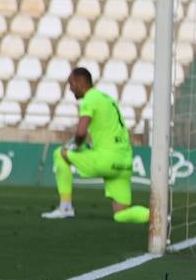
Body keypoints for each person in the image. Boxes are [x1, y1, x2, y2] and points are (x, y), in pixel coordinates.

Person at [41, 68, 150, 224]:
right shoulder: (108, 99)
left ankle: (65, 208)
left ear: (80, 82)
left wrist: (74, 147)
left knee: (60, 153)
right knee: (121, 214)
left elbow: (80, 133)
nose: (70, 89)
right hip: (124, 162)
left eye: (71, 84)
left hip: (106, 160)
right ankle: (155, 216)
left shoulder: (90, 99)